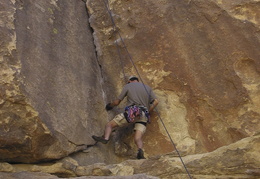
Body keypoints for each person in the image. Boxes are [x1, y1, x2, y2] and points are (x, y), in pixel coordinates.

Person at [92, 76, 159, 159]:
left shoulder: (128, 86)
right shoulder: (147, 88)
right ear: (137, 81)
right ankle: (140, 150)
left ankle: (105, 138)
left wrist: (110, 106)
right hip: (143, 115)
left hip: (133, 112)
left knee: (109, 125)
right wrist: (148, 110)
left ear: (129, 81)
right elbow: (156, 101)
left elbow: (117, 102)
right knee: (138, 138)